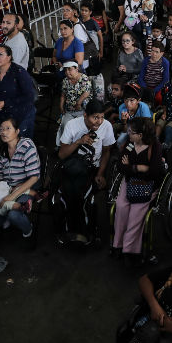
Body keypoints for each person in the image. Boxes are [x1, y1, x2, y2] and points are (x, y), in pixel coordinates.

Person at [58, 100, 116, 244]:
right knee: (67, 190)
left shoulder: (106, 126)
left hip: (93, 168)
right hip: (73, 166)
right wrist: (79, 141)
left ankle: (85, 230)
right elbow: (62, 154)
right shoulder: (72, 125)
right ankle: (69, 229)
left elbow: (107, 151)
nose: (99, 121)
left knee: (82, 192)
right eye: (95, 117)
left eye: (102, 117)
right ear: (85, 115)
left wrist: (100, 173)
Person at [111, 116, 165, 264]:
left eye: (131, 132)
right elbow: (120, 166)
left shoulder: (155, 146)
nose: (128, 133)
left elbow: (154, 172)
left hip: (148, 185)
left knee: (136, 214)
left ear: (140, 135)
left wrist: (130, 167)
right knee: (121, 208)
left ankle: (130, 250)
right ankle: (118, 245)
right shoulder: (129, 143)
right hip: (130, 181)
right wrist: (138, 167)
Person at [0, 116, 40, 242]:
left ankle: (28, 231)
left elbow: (34, 178)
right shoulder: (1, 151)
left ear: (17, 131)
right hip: (8, 188)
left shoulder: (26, 146)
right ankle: (4, 221)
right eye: (1, 129)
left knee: (14, 214)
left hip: (26, 186)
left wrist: (11, 196)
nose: (3, 132)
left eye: (8, 128)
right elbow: (0, 178)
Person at [0, 44, 38, 138]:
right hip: (2, 113)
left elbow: (29, 96)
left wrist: (5, 103)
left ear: (9, 57)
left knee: (20, 142)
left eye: (0, 54)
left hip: (21, 113)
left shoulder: (19, 72)